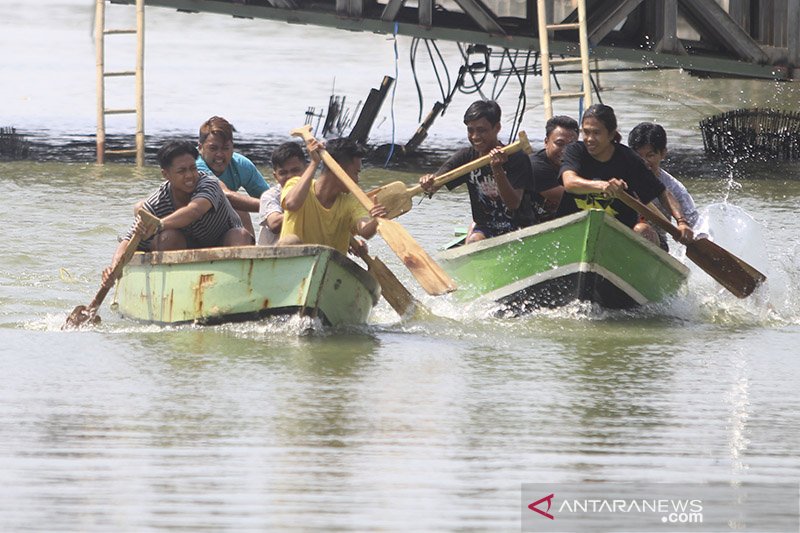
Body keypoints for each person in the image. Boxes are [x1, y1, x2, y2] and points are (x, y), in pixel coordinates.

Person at [103, 140, 253, 284]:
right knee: (168, 237)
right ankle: (172, 289)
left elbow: (195, 210)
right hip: (183, 254)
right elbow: (128, 240)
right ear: (166, 174)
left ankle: (238, 283)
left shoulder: (209, 184)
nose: (189, 175)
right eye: (182, 171)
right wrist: (113, 269)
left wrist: (159, 225)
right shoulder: (156, 202)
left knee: (240, 235)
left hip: (222, 243)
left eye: (193, 168)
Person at [560, 104, 694, 246]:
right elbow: (569, 183)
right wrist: (604, 186)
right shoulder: (575, 151)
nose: (589, 139)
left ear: (611, 134)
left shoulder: (628, 159)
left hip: (618, 236)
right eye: (586, 132)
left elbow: (661, 192)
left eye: (596, 133)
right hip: (574, 231)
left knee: (643, 230)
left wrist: (681, 221)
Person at [419, 100, 535, 243]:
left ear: (497, 128)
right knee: (475, 240)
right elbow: (435, 184)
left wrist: (497, 169)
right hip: (486, 227)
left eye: (482, 130)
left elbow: (513, 204)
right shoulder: (466, 157)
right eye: (470, 130)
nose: (474, 137)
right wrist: (428, 183)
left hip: (518, 227)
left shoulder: (516, 158)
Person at [278, 137, 386, 254]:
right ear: (338, 169)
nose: (356, 180)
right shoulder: (295, 184)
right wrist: (314, 163)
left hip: (329, 267)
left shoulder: (351, 200)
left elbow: (365, 231)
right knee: (290, 241)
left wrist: (376, 220)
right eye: (355, 172)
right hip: (293, 262)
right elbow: (291, 204)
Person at [628, 122, 700, 250]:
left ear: (663, 153)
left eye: (650, 155)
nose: (644, 162)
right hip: (619, 232)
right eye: (638, 156)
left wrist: (684, 227)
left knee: (642, 229)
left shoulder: (674, 188)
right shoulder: (618, 175)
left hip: (654, 242)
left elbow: (695, 224)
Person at [196, 116, 270, 236]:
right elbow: (225, 195)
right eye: (213, 148)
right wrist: (272, 208)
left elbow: (267, 196)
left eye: (225, 148)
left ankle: (249, 252)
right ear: (200, 148)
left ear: (232, 147)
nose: (220, 154)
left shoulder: (242, 165)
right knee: (238, 208)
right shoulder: (194, 165)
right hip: (192, 220)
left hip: (221, 222)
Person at [528, 115, 580, 221]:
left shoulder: (577, 159)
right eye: (559, 144)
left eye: (571, 145)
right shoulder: (535, 166)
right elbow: (571, 200)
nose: (565, 151)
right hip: (531, 227)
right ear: (546, 142)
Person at [257, 141, 307, 246]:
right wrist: (307, 210)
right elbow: (274, 224)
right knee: (291, 240)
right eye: (283, 173)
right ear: (275, 177)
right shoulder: (270, 196)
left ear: (306, 170)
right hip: (274, 257)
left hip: (308, 253)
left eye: (295, 171)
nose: (289, 177)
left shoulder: (315, 192)